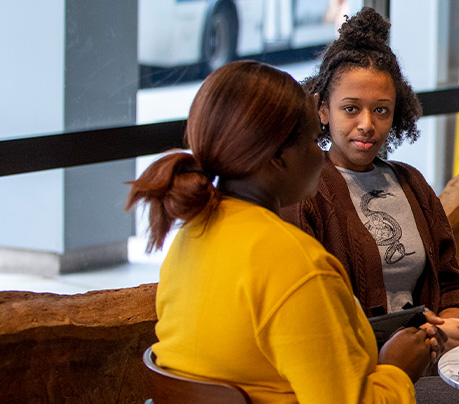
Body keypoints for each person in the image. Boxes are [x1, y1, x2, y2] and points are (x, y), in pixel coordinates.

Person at [127, 61, 435, 403]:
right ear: (277, 157)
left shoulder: (190, 237)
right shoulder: (298, 265)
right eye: (310, 141)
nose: (320, 155)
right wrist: (396, 370)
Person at [281, 7, 459, 352]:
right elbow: (308, 315)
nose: (366, 124)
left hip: (427, 356)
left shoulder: (412, 185)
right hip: (355, 369)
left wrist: (449, 325)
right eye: (350, 108)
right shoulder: (305, 193)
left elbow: (453, 285)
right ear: (322, 110)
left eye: (381, 110)